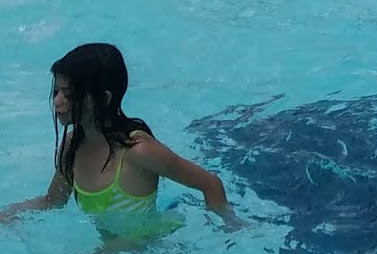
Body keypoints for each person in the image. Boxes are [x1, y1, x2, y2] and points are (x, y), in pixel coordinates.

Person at [0, 42, 233, 235]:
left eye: (69, 94)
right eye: (56, 92)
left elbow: (210, 184)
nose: (58, 101)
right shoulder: (72, 147)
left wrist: (226, 231)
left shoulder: (138, 151)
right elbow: (52, 202)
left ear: (103, 98)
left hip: (153, 253)